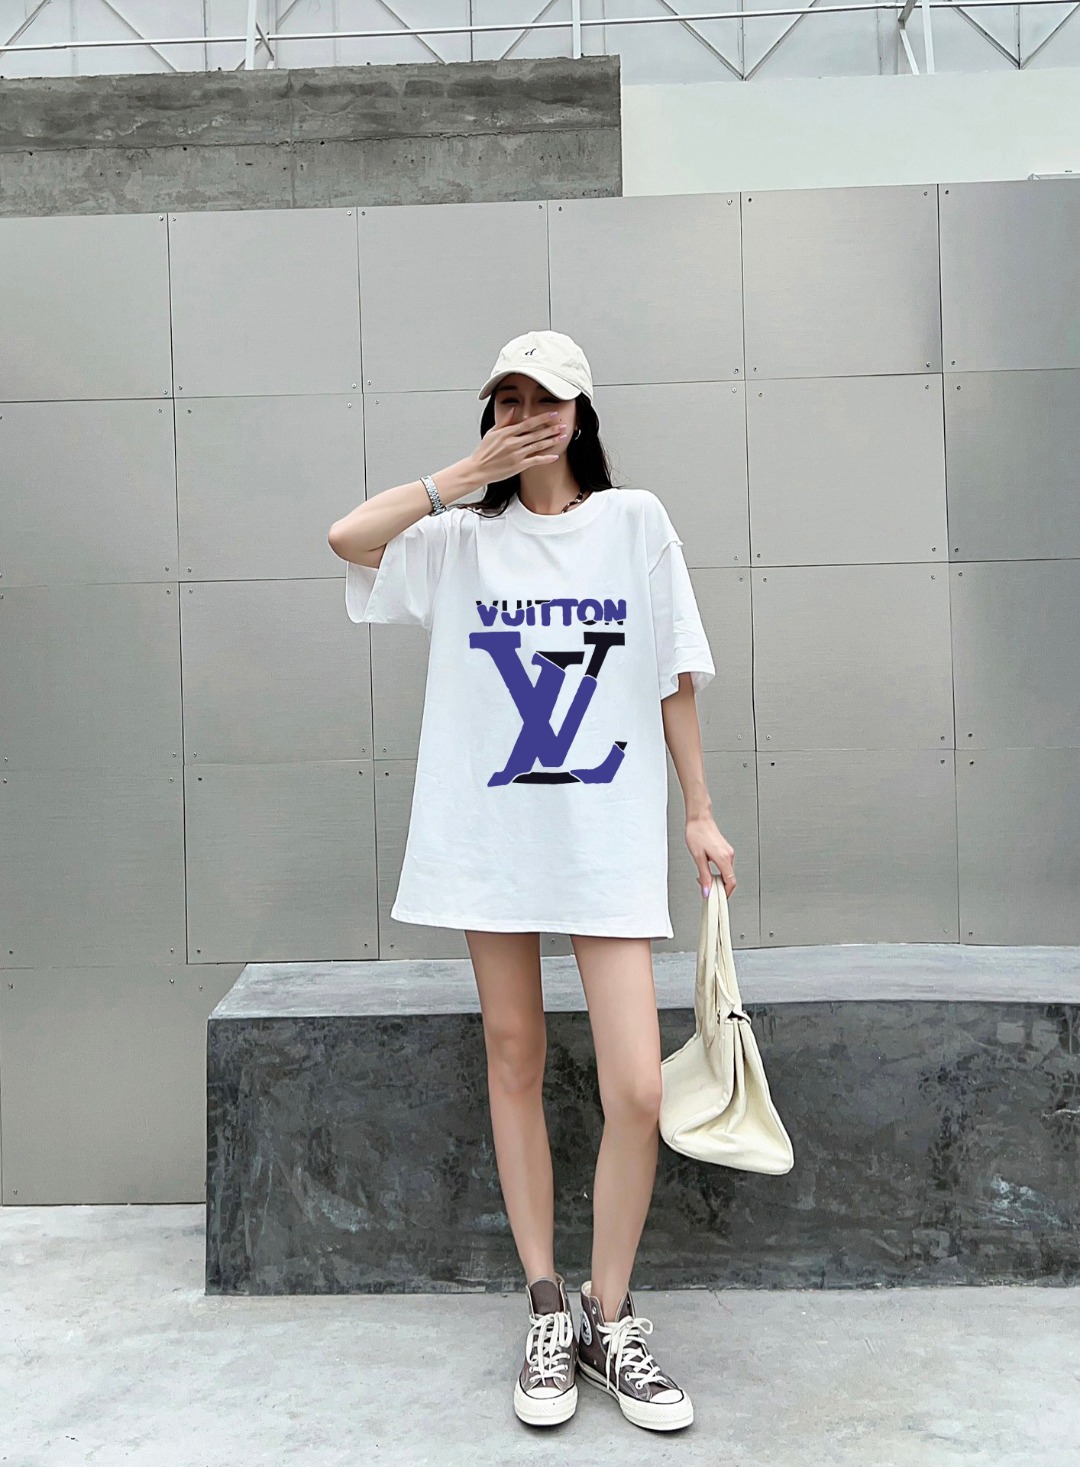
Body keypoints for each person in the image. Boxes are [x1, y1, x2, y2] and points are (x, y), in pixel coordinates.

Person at [328, 330, 736, 1434]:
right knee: (513, 1055)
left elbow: (672, 673)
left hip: (601, 832)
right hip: (492, 835)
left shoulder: (635, 522)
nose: (526, 416)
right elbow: (346, 539)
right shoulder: (461, 538)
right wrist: (465, 475)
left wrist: (699, 809)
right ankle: (548, 1305)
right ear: (491, 416)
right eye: (507, 401)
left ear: (581, 413)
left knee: (637, 1088)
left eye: (546, 400)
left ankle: (613, 1312)